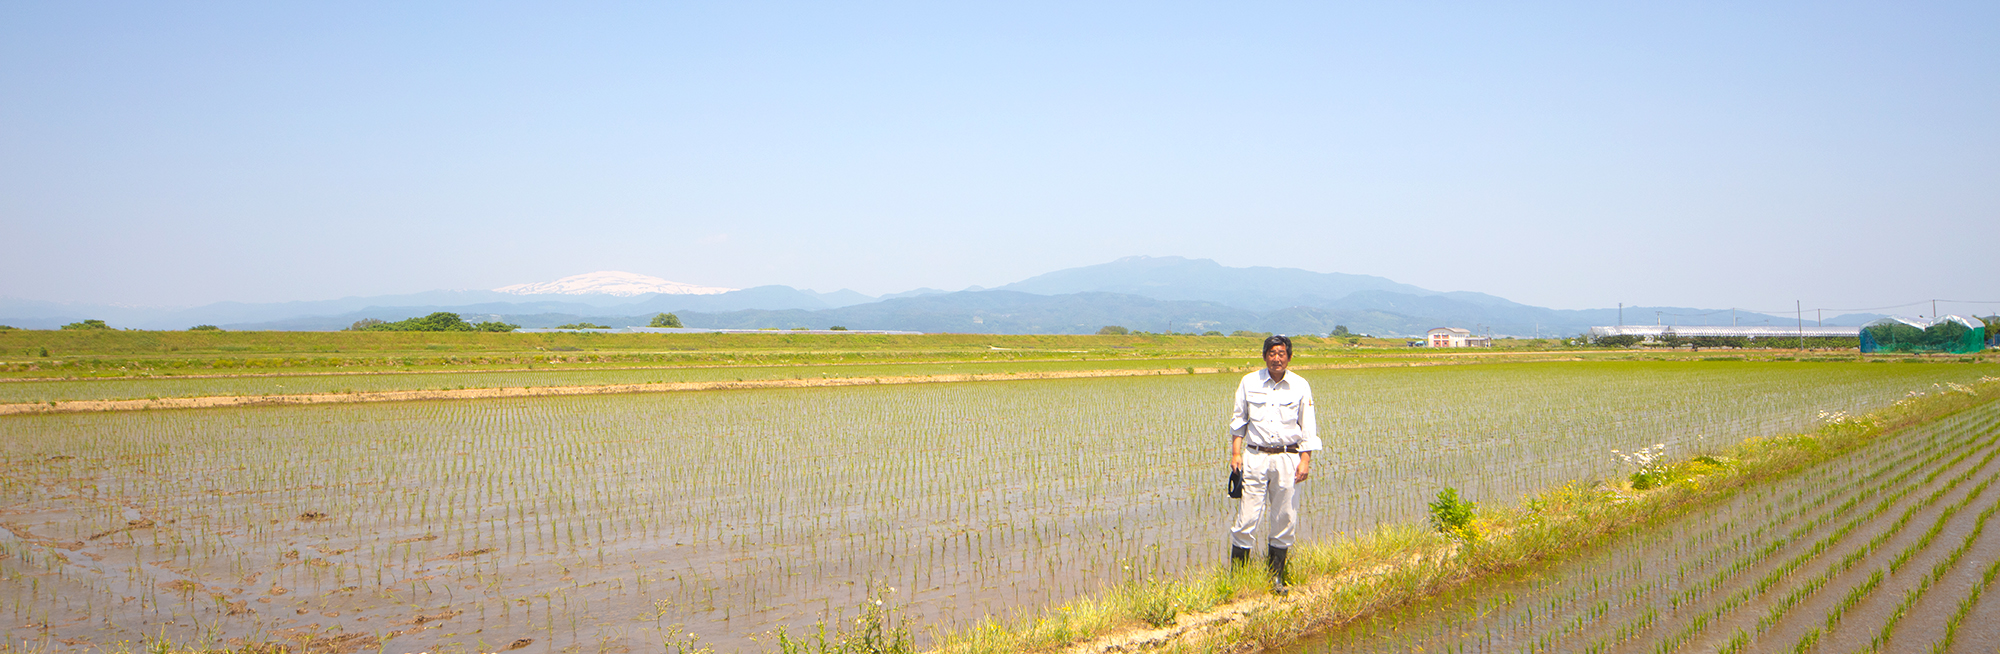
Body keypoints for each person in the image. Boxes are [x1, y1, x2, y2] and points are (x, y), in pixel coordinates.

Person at [1227, 334, 1319, 594]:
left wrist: (1305, 460)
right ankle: (1238, 580)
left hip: (1288, 458)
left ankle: (1275, 578)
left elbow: (1308, 426)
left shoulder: (1300, 385)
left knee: (1284, 517)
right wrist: (1236, 454)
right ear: (1264, 355)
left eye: (1281, 353)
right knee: (1246, 518)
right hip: (1255, 457)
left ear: (1289, 357)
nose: (1276, 358)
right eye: (1272, 353)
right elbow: (1239, 421)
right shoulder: (1249, 382)